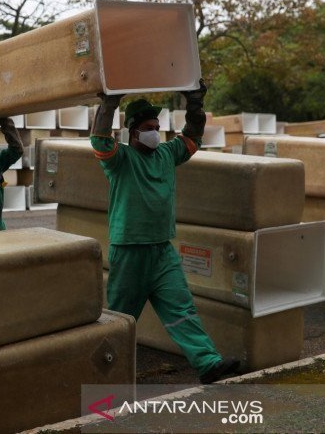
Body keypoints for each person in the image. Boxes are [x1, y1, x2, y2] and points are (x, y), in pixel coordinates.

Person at [90, 80, 240, 384]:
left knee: (181, 308)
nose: (156, 131)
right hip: (130, 251)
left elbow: (193, 135)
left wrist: (195, 103)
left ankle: (207, 363)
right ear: (133, 132)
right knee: (119, 321)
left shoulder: (167, 154)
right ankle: (99, 377)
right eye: (149, 126)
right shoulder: (121, 160)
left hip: (161, 251)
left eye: (157, 125)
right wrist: (109, 104)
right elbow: (100, 141)